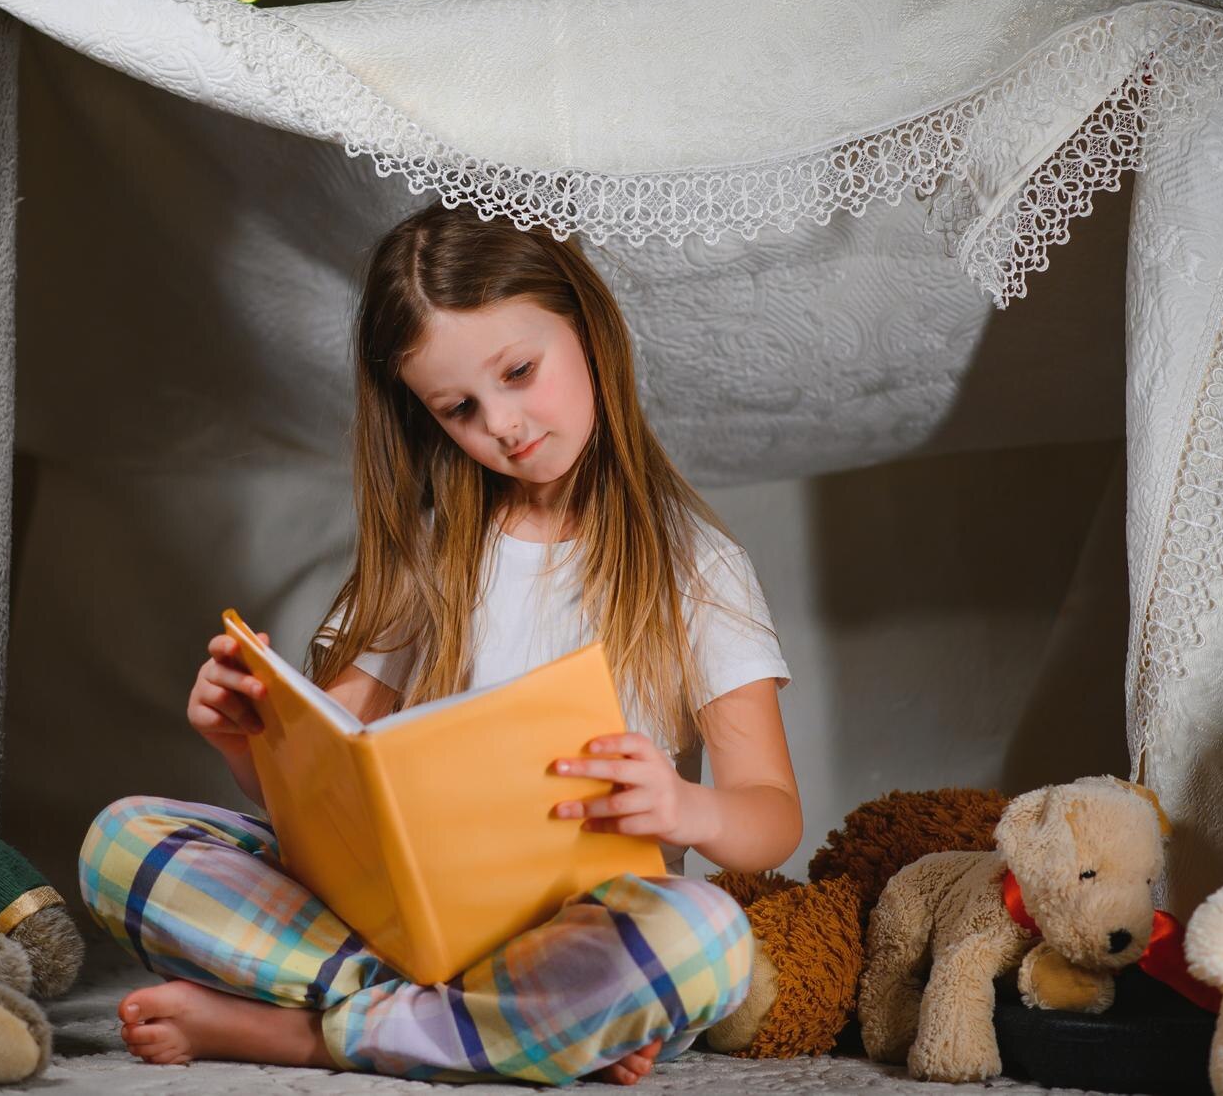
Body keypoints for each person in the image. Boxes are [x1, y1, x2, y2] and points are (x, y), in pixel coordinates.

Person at [80, 202, 801, 1086]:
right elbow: (324, 804)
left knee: (705, 942)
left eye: (521, 370)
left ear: (587, 325)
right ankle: (514, 1029)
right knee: (120, 843)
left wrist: (686, 809)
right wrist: (246, 738)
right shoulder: (431, 555)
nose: (503, 423)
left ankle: (312, 1035)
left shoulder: (698, 566)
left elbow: (772, 817)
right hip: (405, 927)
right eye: (460, 407)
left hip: (591, 931)